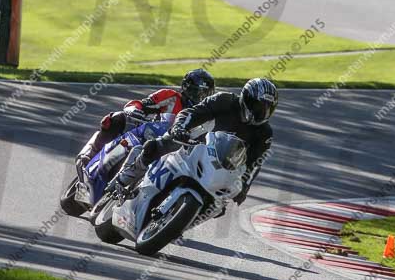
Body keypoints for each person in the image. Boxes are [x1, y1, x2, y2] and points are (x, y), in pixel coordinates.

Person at [115, 77, 278, 205]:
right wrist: (179, 128)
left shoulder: (264, 132)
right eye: (258, 106)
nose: (261, 112)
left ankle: (177, 223)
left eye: (267, 109)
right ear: (247, 98)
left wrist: (244, 186)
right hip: (192, 144)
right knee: (157, 145)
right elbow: (193, 113)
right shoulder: (225, 101)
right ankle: (123, 180)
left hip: (220, 166)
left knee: (218, 205)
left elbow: (254, 163)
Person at [78, 69, 216, 164]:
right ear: (186, 87)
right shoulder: (170, 96)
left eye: (205, 94)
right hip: (146, 134)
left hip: (171, 152)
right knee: (116, 118)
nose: (200, 97)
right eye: (197, 92)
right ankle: (91, 155)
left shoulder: (204, 117)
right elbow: (142, 104)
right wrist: (134, 109)